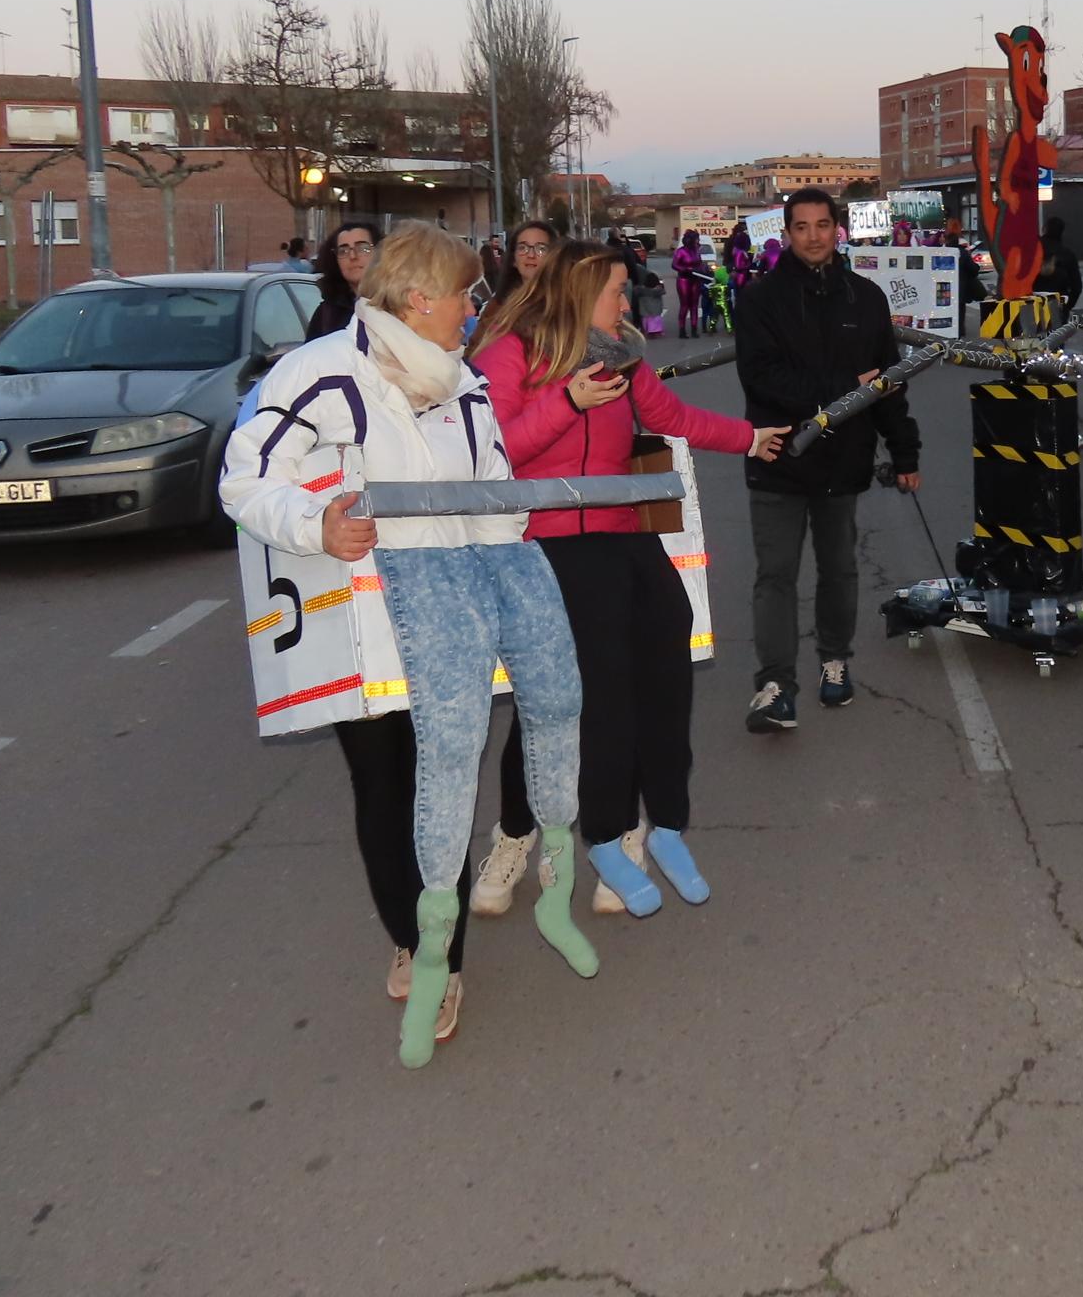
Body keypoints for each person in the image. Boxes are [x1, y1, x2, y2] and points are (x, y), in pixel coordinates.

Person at [220, 221, 595, 1068]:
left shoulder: (461, 385)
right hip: (365, 622)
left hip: (457, 613)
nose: (476, 311)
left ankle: (444, 934)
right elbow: (243, 478)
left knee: (449, 771)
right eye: (467, 294)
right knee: (390, 784)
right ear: (421, 298)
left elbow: (491, 484)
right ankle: (427, 948)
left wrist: (515, 533)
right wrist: (315, 524)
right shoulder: (318, 376)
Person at [470, 242, 786, 918]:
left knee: (663, 649)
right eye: (616, 291)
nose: (628, 302)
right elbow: (490, 453)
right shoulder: (509, 354)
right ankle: (550, 833)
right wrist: (568, 400)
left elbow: (670, 418)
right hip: (545, 542)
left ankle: (644, 824)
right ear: (580, 294)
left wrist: (749, 436)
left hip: (619, 531)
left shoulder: (619, 352)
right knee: (574, 696)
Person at [735, 187, 922, 732]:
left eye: (822, 225)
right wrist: (844, 386)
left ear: (838, 229)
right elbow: (764, 380)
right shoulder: (759, 300)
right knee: (775, 575)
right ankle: (775, 685)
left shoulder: (865, 299)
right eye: (801, 226)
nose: (813, 236)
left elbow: (887, 386)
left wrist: (905, 450)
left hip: (844, 460)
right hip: (776, 458)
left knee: (839, 570)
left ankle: (834, 660)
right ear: (786, 232)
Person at [307, 220, 381, 339]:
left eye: (362, 248)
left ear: (379, 252)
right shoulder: (326, 315)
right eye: (343, 251)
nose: (353, 256)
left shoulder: (399, 305)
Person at [1037, 216, 1083, 321]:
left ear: (1044, 229)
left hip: (1032, 305)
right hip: (1058, 305)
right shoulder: (1068, 254)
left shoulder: (1033, 250)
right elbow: (1077, 287)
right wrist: (1067, 306)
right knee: (1056, 335)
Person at [670, 229, 713, 338]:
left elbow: (700, 263)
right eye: (696, 239)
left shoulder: (696, 250)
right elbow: (674, 265)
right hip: (684, 280)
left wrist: (705, 270)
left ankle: (694, 329)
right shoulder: (680, 251)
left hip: (696, 279)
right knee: (684, 305)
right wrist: (686, 269)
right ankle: (682, 330)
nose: (697, 241)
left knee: (694, 305)